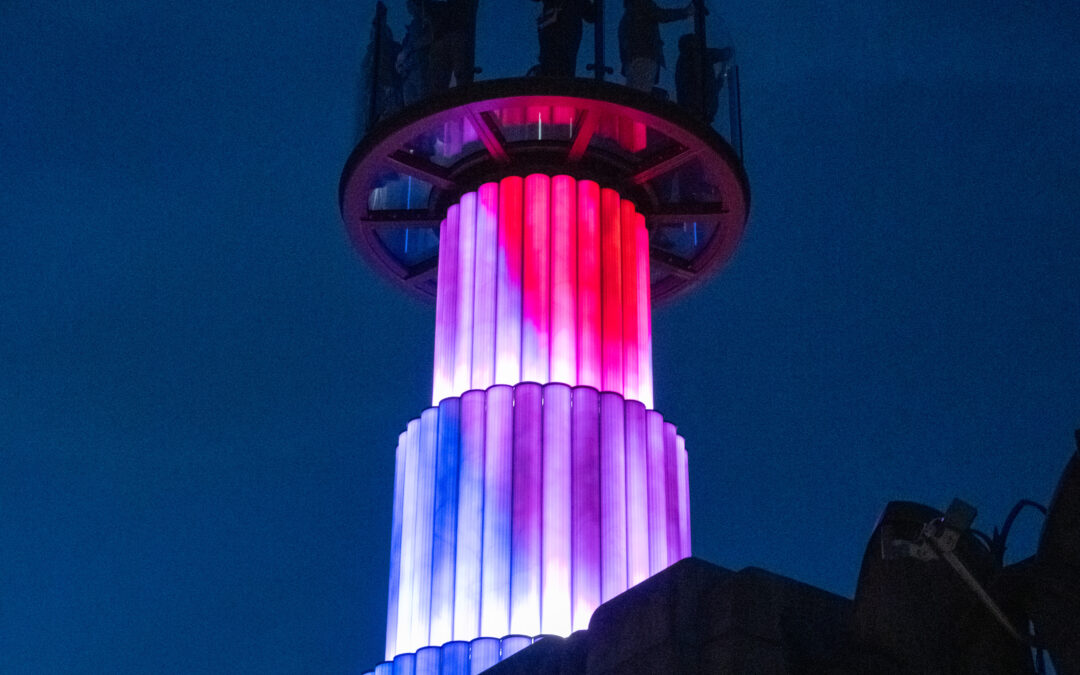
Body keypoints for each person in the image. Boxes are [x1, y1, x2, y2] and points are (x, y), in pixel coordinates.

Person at [618, 0, 694, 92]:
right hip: (644, 57)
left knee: (634, 94)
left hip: (634, 59)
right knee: (641, 94)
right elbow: (661, 15)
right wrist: (685, 12)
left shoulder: (628, 16)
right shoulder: (641, 4)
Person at [358, 5, 402, 136]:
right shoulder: (372, 50)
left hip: (387, 86)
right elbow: (365, 68)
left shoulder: (386, 46)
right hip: (379, 88)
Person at [675, 33, 733, 123]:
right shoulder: (701, 55)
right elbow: (723, 54)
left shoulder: (682, 62)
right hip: (700, 113)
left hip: (692, 113)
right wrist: (728, 52)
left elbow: (703, 88)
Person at [532, 0, 597, 77]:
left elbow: (591, 15)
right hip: (561, 32)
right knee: (557, 64)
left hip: (564, 33)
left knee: (560, 65)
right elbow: (590, 15)